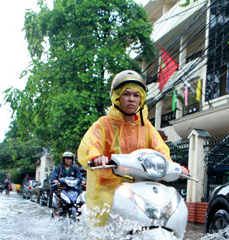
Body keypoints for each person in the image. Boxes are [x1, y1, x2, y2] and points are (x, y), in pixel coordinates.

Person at [77, 70, 188, 226]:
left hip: (140, 185)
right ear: (117, 97)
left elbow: (161, 149)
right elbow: (90, 145)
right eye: (126, 94)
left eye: (136, 95)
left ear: (141, 99)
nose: (131, 99)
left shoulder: (146, 126)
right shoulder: (104, 124)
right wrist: (96, 158)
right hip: (108, 185)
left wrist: (174, 166)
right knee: (101, 224)